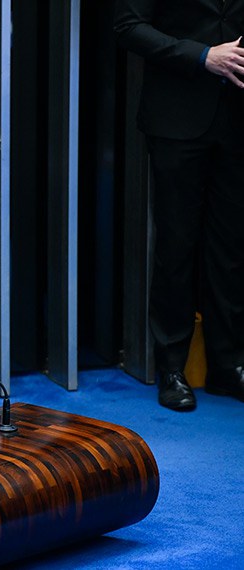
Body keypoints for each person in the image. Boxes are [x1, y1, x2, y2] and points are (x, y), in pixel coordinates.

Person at [115, 2, 244, 411]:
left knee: (233, 249)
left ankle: (228, 367)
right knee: (176, 246)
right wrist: (202, 56)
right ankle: (172, 369)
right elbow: (128, 26)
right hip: (176, 118)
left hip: (238, 119)